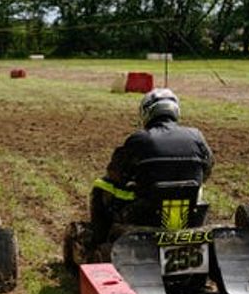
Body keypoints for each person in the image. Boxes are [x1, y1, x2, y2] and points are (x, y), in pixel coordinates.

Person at [90, 88, 214, 242]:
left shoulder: (139, 139)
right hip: (191, 215)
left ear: (146, 113)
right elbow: (208, 168)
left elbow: (115, 172)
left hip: (144, 216)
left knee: (101, 185)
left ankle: (98, 241)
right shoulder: (196, 136)